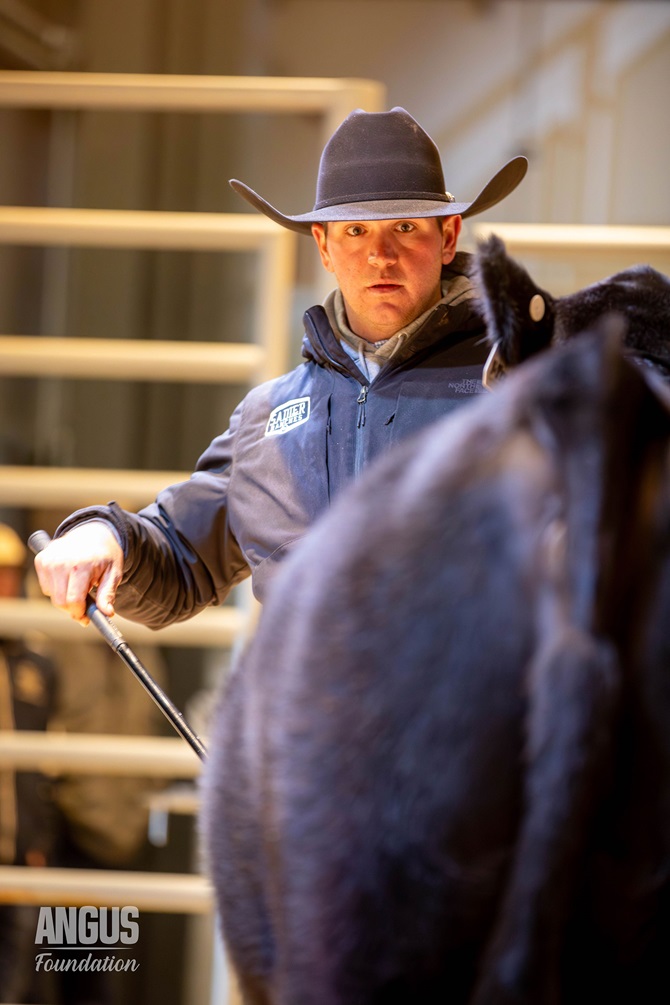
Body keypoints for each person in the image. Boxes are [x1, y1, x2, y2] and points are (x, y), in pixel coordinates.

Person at [33, 107, 527, 625]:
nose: (381, 255)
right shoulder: (269, 416)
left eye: (405, 227)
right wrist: (107, 537)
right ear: (324, 247)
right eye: (355, 230)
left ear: (448, 236)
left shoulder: (519, 383)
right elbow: (182, 554)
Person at [0, 522, 57, 1004]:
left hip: (19, 850)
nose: (4, 583)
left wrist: (38, 841)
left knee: (16, 981)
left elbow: (43, 762)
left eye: (9, 573)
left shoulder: (38, 663)